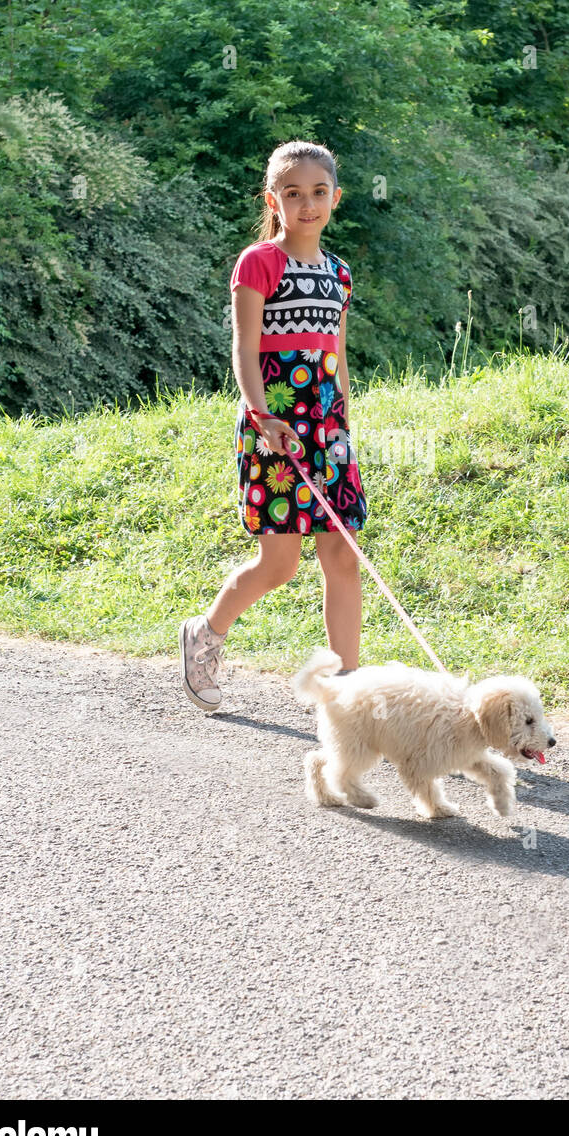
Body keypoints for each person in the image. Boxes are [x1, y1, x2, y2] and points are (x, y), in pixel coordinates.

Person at [179, 140, 368, 711]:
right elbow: (246, 346)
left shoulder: (339, 274)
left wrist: (343, 427)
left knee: (342, 556)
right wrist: (262, 415)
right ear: (274, 200)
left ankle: (348, 691)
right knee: (280, 564)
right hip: (273, 425)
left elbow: (336, 355)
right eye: (293, 193)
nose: (306, 204)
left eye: (317, 192)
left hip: (327, 430)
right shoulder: (258, 262)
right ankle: (206, 634)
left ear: (334, 198)